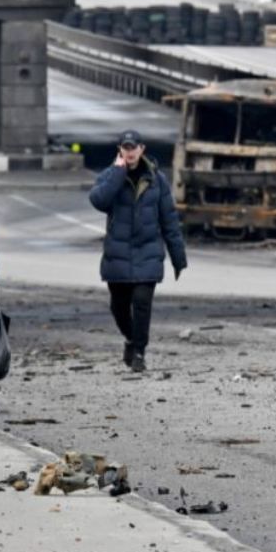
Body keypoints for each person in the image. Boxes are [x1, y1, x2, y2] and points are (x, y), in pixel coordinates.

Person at [88, 130, 187, 373]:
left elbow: (169, 220)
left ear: (142, 149)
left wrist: (178, 257)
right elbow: (99, 201)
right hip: (117, 255)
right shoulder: (111, 176)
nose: (130, 152)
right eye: (126, 147)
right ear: (120, 150)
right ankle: (131, 339)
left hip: (148, 253)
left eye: (134, 147)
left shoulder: (157, 180)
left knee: (142, 303)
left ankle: (140, 352)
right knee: (118, 307)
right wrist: (118, 173)